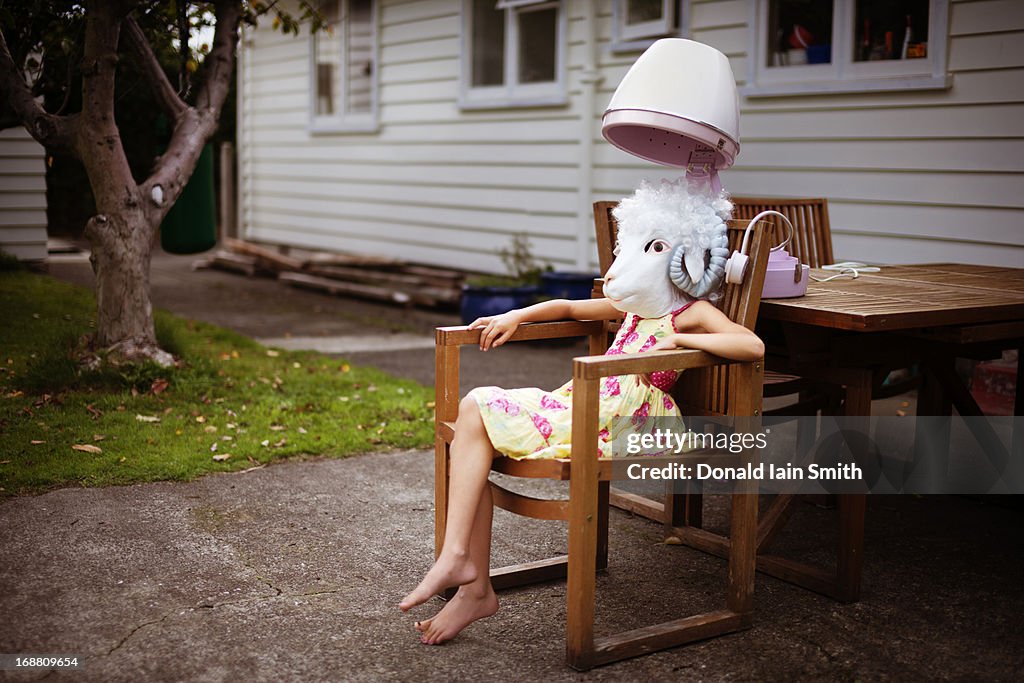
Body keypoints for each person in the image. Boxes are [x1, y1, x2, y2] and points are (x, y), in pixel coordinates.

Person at [399, 293, 764, 645]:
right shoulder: (634, 302)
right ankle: (469, 578)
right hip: (587, 400)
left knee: (477, 416)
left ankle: (463, 568)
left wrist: (680, 341)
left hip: (629, 421)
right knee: (474, 415)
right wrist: (516, 315)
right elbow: (570, 306)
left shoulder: (692, 313)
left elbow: (752, 346)